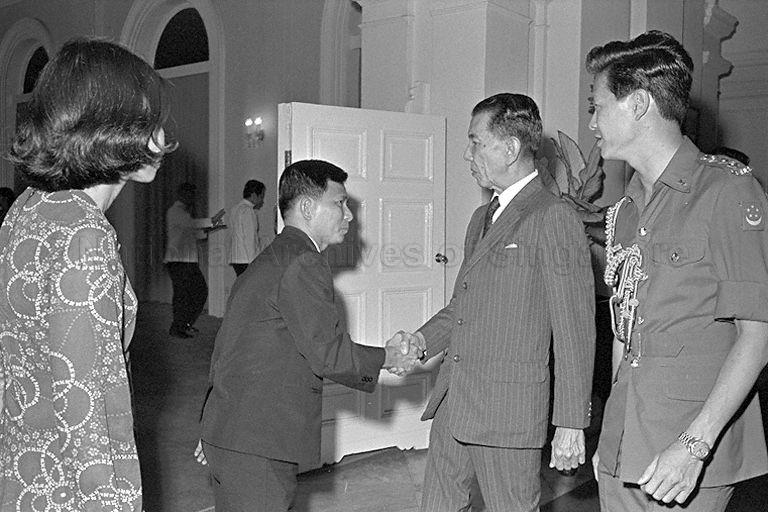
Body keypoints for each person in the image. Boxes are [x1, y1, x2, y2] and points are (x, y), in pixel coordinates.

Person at [588, 31, 768, 511]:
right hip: (624, 446)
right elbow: (623, 332)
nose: (591, 122)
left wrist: (694, 447)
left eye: (598, 106)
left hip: (687, 455)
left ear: (639, 104)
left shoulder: (727, 192)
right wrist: (611, 438)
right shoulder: (625, 211)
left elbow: (758, 335)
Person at [0, 38, 176, 511]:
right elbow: (89, 398)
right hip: (65, 485)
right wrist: (113, 501)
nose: (164, 136)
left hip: (24, 462)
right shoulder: (84, 232)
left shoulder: (29, 207)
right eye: (152, 119)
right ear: (115, 126)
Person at [404, 93, 596, 512]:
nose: (468, 153)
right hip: (454, 402)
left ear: (510, 149)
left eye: (476, 141)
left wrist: (570, 422)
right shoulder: (481, 218)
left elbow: (574, 329)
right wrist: (421, 340)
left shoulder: (553, 216)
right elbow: (463, 305)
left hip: (507, 412)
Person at [196, 159, 422, 511]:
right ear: (306, 207)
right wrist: (390, 357)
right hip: (257, 441)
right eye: (339, 203)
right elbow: (327, 353)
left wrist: (214, 422)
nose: (348, 215)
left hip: (236, 432)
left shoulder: (272, 257)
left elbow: (227, 346)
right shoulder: (304, 261)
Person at [163, 181, 224, 338]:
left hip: (186, 261)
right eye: (191, 195)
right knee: (185, 295)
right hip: (179, 261)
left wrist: (212, 228)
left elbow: (192, 233)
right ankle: (178, 328)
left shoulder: (183, 212)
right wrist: (211, 221)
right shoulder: (175, 211)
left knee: (196, 293)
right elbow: (190, 224)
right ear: (184, 194)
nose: (193, 198)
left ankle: (183, 325)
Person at [228, 179, 265, 276]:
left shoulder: (235, 209)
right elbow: (250, 238)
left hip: (236, 257)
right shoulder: (248, 211)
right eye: (261, 196)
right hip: (246, 258)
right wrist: (254, 261)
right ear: (253, 195)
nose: (262, 200)